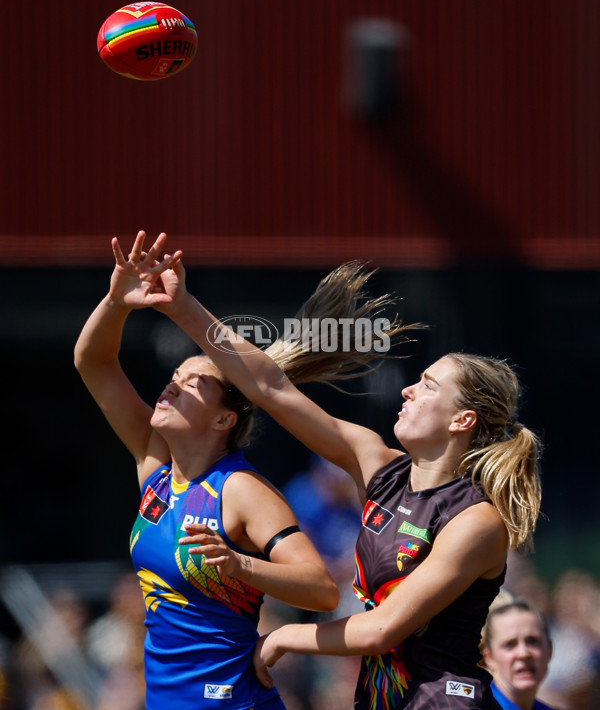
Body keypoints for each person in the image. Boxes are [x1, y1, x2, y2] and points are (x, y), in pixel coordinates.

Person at [139, 230, 544, 710]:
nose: (407, 391)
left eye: (428, 386)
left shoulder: (477, 521)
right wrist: (181, 306)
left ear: (462, 420)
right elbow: (270, 386)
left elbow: (382, 629)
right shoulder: (379, 466)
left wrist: (285, 636)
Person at [73, 232, 342, 710]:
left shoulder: (240, 489)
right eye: (173, 379)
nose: (171, 388)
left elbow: (321, 588)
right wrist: (116, 302)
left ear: (224, 419)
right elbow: (92, 361)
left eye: (192, 383)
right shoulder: (155, 465)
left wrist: (240, 565)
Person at [481, 595, 557, 710]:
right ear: (489, 657)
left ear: (549, 650)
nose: (524, 653)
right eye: (510, 644)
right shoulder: (473, 706)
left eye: (533, 641)